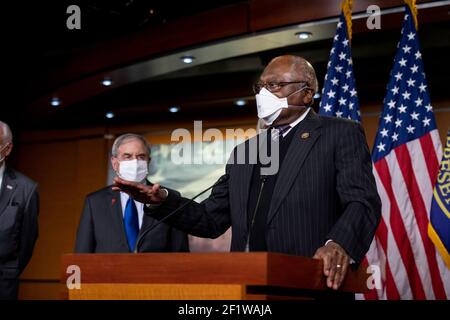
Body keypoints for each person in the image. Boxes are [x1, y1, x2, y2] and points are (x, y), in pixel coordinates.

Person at [113, 56, 381, 292]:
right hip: (248, 286)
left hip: (310, 282)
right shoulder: (246, 151)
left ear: (306, 93)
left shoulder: (338, 133)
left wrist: (338, 244)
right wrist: (161, 201)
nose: (264, 93)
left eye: (275, 85)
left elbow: (362, 201)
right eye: (261, 86)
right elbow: (210, 219)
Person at [75, 133, 189, 253]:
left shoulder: (167, 199)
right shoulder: (95, 202)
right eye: (127, 156)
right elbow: (82, 254)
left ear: (148, 162)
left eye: (141, 157)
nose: (135, 162)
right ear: (114, 163)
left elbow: (181, 254)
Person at [0, 121, 39, 300]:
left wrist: (10, 269)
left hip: (3, 282)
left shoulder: (26, 188)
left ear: (7, 149)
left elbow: (27, 240)